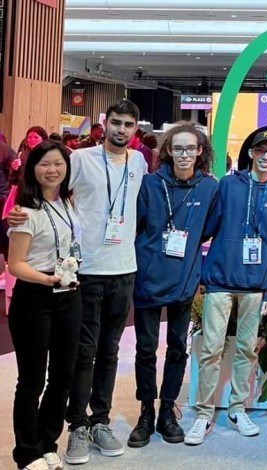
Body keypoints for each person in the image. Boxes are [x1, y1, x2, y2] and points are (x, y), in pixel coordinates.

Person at [6, 100, 149, 465]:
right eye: (115, 122)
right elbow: (41, 195)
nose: (121, 129)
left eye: (128, 124)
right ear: (105, 124)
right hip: (81, 275)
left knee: (108, 352)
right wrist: (14, 215)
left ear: (136, 129)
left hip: (123, 269)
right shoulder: (80, 159)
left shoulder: (139, 162)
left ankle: (98, 420)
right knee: (79, 357)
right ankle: (78, 424)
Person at [184, 130, 267, 445]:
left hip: (255, 286)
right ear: (251, 153)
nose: (265, 156)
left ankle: (237, 409)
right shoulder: (229, 185)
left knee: (247, 349)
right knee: (211, 349)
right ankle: (204, 414)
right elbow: (209, 227)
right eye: (260, 150)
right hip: (220, 280)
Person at [127, 123, 219, 448]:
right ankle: (146, 412)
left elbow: (208, 230)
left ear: (200, 152)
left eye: (190, 149)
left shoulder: (209, 189)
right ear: (168, 151)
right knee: (146, 349)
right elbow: (134, 226)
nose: (183, 154)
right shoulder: (150, 184)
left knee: (178, 349)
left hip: (184, 281)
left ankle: (167, 411)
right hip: (148, 278)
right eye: (177, 148)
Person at [7, 140, 82, 470]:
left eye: (58, 164)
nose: (52, 170)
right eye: (44, 164)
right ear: (32, 169)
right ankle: (26, 453)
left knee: (63, 376)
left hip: (70, 294)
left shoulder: (67, 202)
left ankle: (47, 441)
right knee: (32, 380)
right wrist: (49, 278)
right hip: (35, 298)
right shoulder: (25, 211)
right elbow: (15, 264)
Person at [4, 127, 49, 220]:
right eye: (29, 137)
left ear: (43, 139)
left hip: (42, 196)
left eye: (35, 137)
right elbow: (13, 180)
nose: (31, 140)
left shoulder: (49, 155)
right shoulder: (22, 154)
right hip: (23, 196)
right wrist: (14, 169)